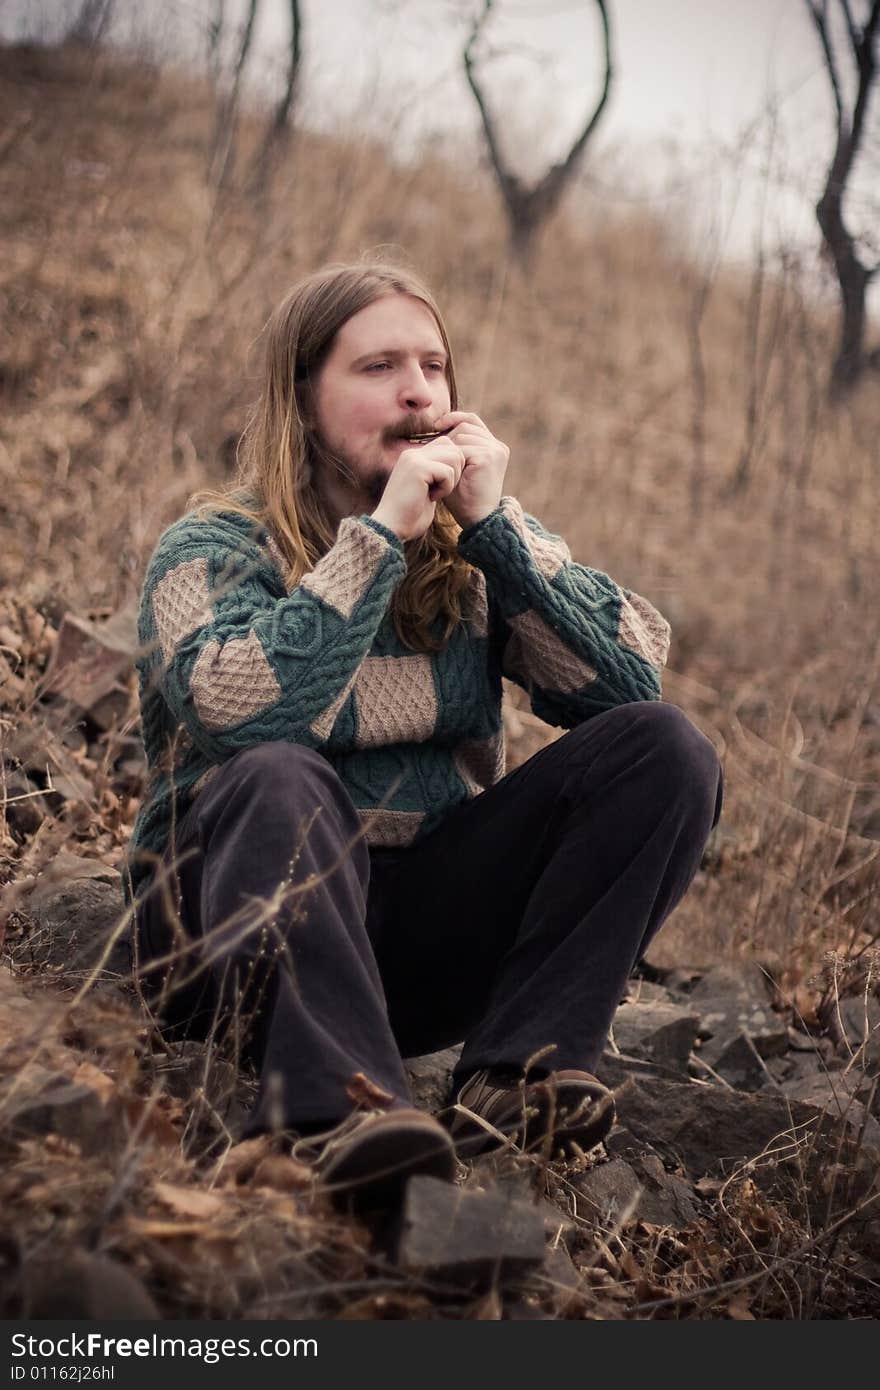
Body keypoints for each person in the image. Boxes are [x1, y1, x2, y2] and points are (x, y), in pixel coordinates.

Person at [127, 260, 723, 1209]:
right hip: (223, 938)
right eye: (377, 368)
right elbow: (242, 712)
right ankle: (331, 1117)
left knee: (666, 747)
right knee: (281, 772)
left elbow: (628, 683)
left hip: (406, 945)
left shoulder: (472, 556)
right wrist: (376, 539)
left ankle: (515, 1080)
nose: (417, 391)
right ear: (301, 399)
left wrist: (493, 526)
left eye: (434, 367)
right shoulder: (209, 550)